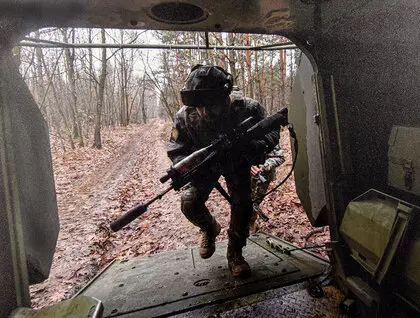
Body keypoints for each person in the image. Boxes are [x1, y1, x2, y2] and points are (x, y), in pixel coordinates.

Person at [167, 64, 280, 278]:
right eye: (199, 106)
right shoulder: (184, 116)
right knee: (189, 201)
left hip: (237, 162)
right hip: (206, 165)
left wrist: (257, 147)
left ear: (225, 97)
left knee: (243, 206)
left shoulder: (248, 109)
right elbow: (176, 148)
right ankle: (210, 228)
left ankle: (235, 254)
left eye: (211, 105)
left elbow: (273, 130)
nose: (204, 112)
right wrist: (184, 166)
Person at [249, 144, 285, 233]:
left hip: (261, 180)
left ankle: (251, 224)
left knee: (254, 203)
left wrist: (264, 166)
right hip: (239, 179)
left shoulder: (265, 134)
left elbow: (280, 157)